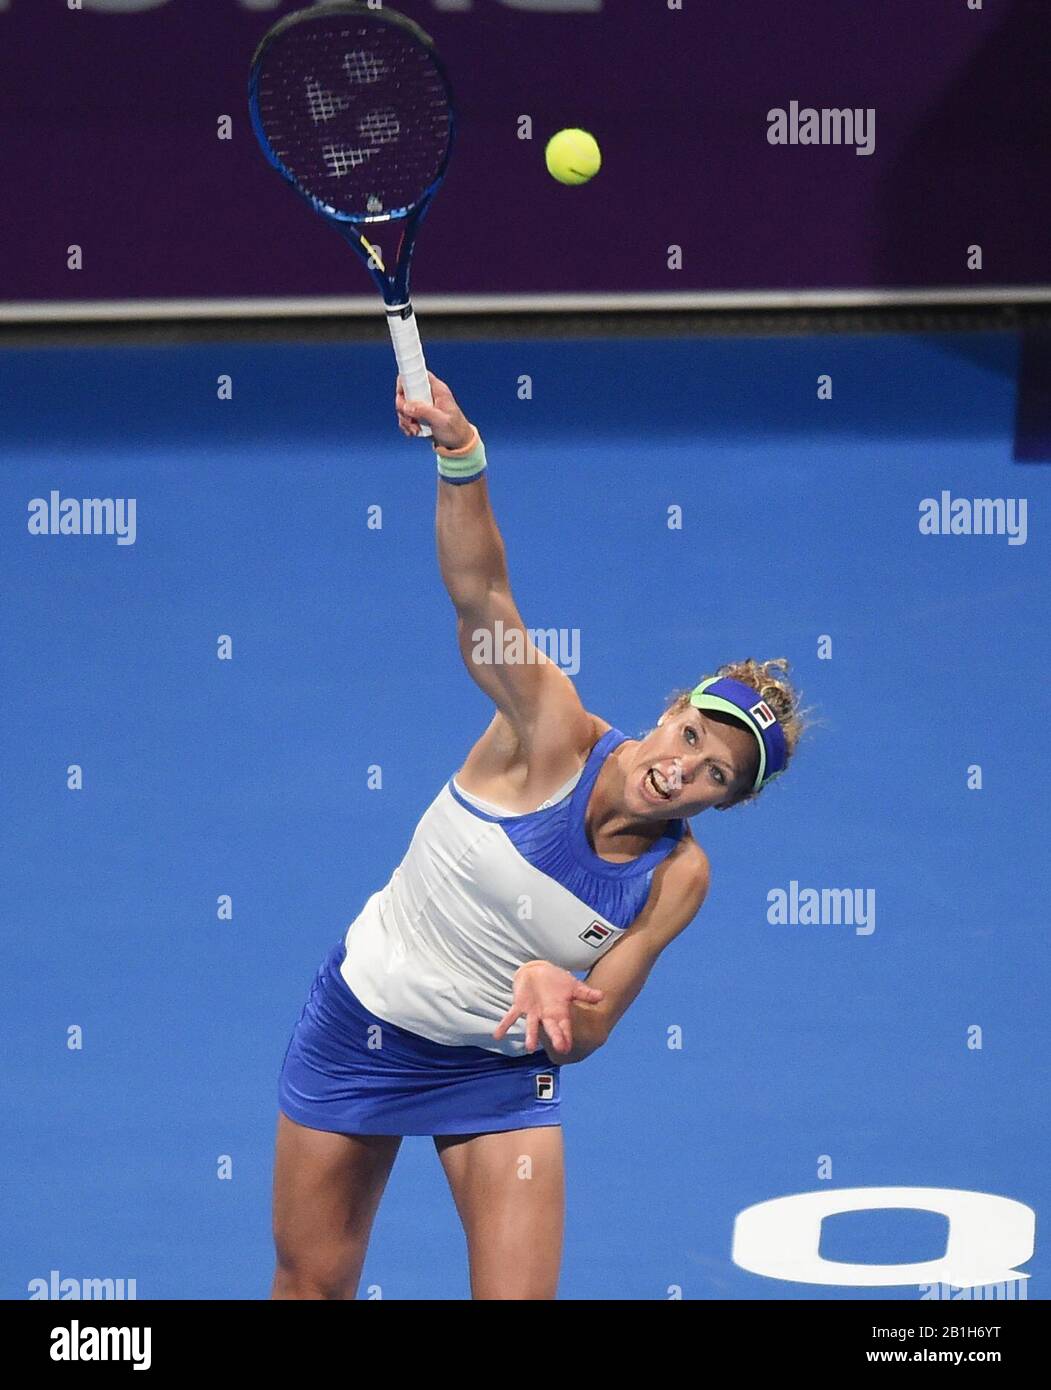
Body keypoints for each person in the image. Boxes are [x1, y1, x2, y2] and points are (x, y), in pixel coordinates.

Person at [271, 372, 807, 1300]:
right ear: (670, 710)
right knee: (311, 1287)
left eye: (715, 773)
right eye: (690, 736)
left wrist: (566, 995)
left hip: (495, 1071)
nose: (683, 768)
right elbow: (482, 596)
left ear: (726, 801)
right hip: (362, 1024)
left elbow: (591, 1028)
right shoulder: (548, 729)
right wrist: (459, 453)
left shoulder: (677, 878)